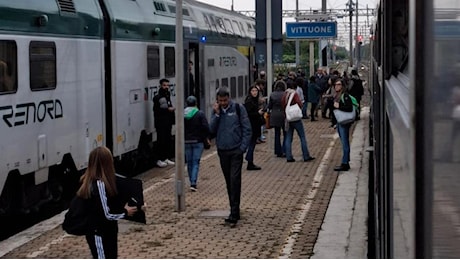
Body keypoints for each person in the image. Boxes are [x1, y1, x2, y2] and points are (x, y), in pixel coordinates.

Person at [77, 146, 138, 259]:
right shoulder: (99, 185)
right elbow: (107, 213)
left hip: (106, 231)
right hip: (99, 232)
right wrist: (125, 213)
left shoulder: (96, 183)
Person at [209, 87, 252, 225]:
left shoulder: (238, 109)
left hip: (236, 151)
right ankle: (234, 208)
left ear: (229, 98)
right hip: (223, 151)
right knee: (229, 181)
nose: (223, 103)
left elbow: (247, 129)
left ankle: (234, 212)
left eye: (225, 100)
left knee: (235, 180)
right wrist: (216, 114)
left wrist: (242, 148)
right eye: (220, 101)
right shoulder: (217, 112)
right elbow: (211, 130)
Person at [281, 82, 315, 163]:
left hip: (288, 118)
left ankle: (289, 156)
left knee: (288, 137)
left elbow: (282, 104)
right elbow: (299, 103)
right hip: (296, 118)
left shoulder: (284, 95)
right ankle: (306, 155)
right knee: (302, 136)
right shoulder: (294, 94)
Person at [184, 95, 210, 191]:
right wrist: (206, 137)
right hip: (198, 141)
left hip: (186, 141)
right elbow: (206, 127)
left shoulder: (183, 114)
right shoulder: (200, 114)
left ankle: (191, 180)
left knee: (189, 162)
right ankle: (193, 183)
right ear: (196, 103)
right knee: (195, 162)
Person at [153, 78, 176, 168]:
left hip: (167, 122)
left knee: (167, 139)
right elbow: (158, 110)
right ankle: (159, 159)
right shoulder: (158, 97)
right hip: (161, 123)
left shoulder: (167, 95)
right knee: (161, 140)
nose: (166, 87)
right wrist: (168, 109)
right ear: (160, 86)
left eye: (167, 85)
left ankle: (166, 157)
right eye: (164, 85)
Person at [331, 79, 354, 171]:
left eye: (339, 84)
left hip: (344, 122)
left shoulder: (345, 96)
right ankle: (345, 161)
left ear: (342, 86)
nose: (337, 86)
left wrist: (339, 106)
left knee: (345, 143)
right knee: (344, 142)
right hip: (340, 122)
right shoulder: (337, 96)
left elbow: (348, 108)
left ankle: (345, 163)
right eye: (335, 85)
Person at [244, 85, 264, 170]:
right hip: (251, 126)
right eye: (253, 91)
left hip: (255, 125)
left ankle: (249, 160)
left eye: (256, 91)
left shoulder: (255, 101)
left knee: (252, 143)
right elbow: (248, 114)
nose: (255, 92)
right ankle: (249, 160)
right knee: (252, 143)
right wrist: (258, 113)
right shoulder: (249, 101)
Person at [267, 80, 287, 157]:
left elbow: (269, 106)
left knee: (277, 134)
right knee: (286, 134)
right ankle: (284, 150)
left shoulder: (272, 95)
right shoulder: (285, 94)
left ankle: (278, 151)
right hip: (283, 115)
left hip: (274, 115)